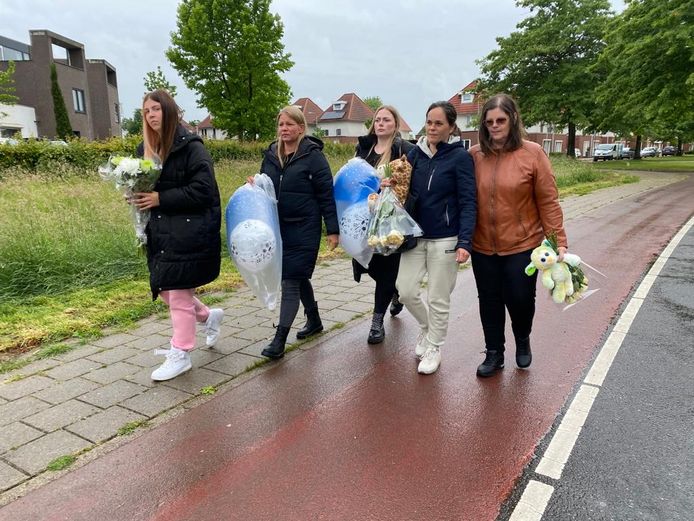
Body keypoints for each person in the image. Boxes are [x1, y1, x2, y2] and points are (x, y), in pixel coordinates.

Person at [469, 93, 569, 377]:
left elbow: (548, 201)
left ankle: (522, 338)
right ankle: (494, 352)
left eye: (501, 120)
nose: (495, 126)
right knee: (488, 299)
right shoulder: (474, 155)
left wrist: (558, 241)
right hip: (483, 246)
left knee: (520, 299)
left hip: (522, 245)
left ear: (513, 120)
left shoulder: (533, 153)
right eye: (489, 122)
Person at [133, 89, 223, 381]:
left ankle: (181, 353)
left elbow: (204, 190)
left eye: (156, 109)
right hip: (160, 232)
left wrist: (160, 198)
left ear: (169, 111)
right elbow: (145, 187)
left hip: (188, 231)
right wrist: (134, 195)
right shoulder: (144, 150)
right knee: (167, 292)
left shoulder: (191, 147)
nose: (151, 115)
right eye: (146, 111)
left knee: (179, 293)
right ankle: (210, 317)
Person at [386, 101, 476, 374]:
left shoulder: (460, 158)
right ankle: (427, 329)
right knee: (406, 290)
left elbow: (468, 202)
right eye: (429, 121)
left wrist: (464, 242)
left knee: (438, 297)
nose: (433, 127)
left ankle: (435, 346)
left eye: (439, 123)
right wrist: (390, 185)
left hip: (445, 240)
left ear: (450, 127)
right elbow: (403, 188)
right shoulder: (415, 154)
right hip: (415, 236)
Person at [253, 105, 340, 359]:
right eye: (281, 124)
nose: (284, 129)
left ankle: (279, 340)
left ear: (301, 128)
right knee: (298, 275)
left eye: (290, 124)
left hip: (305, 227)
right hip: (277, 228)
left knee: (290, 280)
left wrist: (332, 230)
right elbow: (264, 185)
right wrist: (255, 184)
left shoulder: (313, 156)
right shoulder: (270, 154)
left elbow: (326, 195)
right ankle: (314, 320)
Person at [354, 105, 415, 344]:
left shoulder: (404, 150)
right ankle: (395, 291)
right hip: (366, 218)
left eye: (386, 120)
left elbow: (410, 181)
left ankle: (376, 322)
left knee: (387, 268)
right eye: (377, 119)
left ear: (395, 125)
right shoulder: (364, 149)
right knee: (369, 266)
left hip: (391, 222)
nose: (380, 123)